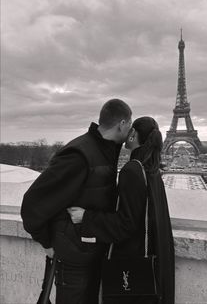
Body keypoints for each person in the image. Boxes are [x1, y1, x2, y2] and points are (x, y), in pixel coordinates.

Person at [20, 98, 132, 304]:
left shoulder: (103, 150)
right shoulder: (79, 155)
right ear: (122, 124)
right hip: (74, 259)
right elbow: (33, 202)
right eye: (130, 124)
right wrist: (46, 242)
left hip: (90, 253)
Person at [68, 116, 175, 304]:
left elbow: (125, 224)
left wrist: (86, 217)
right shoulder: (152, 170)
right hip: (150, 268)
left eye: (129, 130)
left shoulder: (132, 170)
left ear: (133, 134)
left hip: (128, 267)